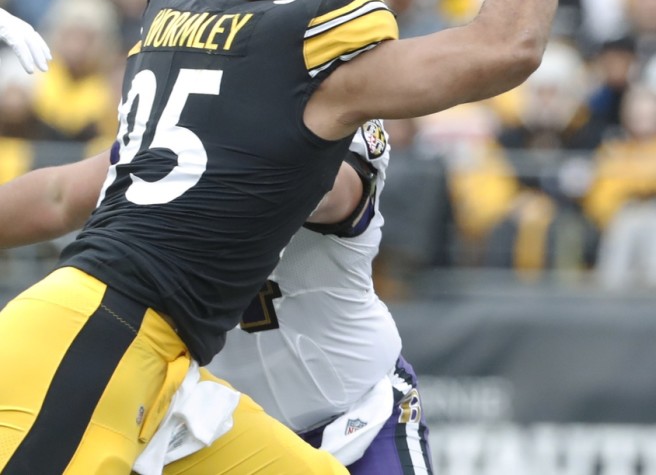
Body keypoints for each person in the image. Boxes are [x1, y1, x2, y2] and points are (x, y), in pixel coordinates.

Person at [0, 0, 559, 474]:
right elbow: (504, 48)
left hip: (255, 390)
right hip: (124, 342)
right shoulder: (310, 74)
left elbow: (69, 190)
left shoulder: (209, 54)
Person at [0, 119, 432, 474]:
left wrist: (205, 155)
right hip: (216, 425)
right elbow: (57, 197)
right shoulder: (184, 124)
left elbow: (329, 191)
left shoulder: (328, 114)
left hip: (356, 415)